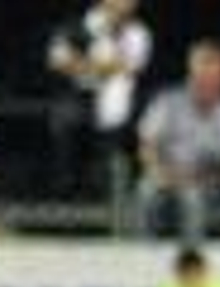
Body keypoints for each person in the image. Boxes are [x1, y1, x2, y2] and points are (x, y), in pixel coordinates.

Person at [45, 0, 152, 212]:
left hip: (124, 99)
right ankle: (69, 194)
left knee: (126, 130)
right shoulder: (76, 26)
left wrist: (81, 64)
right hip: (80, 96)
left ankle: (116, 197)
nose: (126, 5)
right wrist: (102, 67)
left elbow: (129, 67)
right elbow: (57, 61)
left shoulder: (138, 34)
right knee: (67, 119)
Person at [135, 39, 220, 244]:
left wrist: (205, 177)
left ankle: (191, 258)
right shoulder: (168, 103)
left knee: (192, 198)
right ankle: (143, 253)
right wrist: (161, 172)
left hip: (205, 182)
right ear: (191, 75)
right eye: (201, 74)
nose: (207, 81)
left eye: (213, 76)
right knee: (146, 190)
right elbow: (147, 146)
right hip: (165, 176)